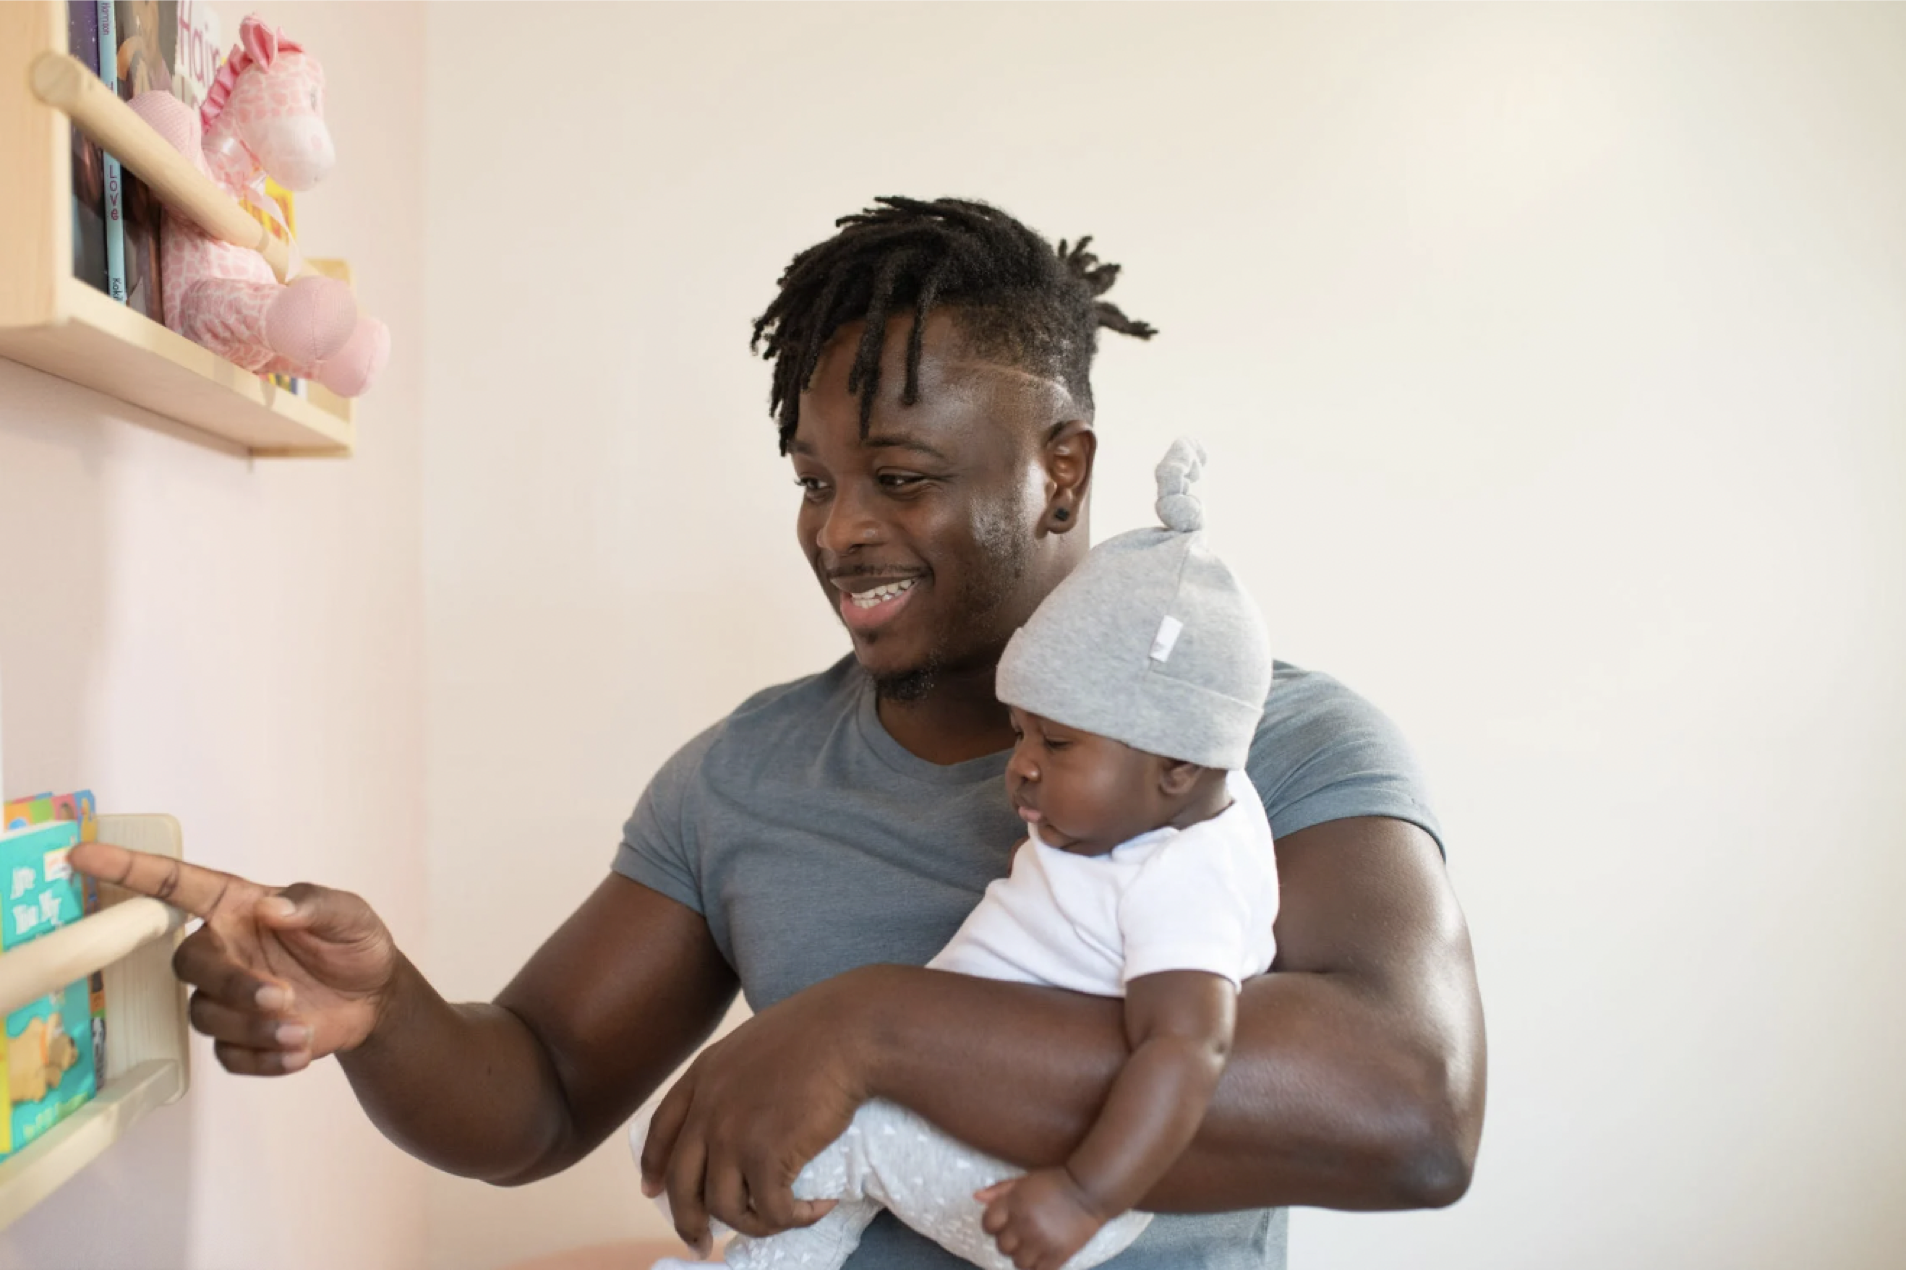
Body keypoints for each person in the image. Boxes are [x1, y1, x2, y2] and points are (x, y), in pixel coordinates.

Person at [71, 197, 1486, 1270]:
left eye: (902, 475)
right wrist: (379, 1010)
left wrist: (873, 1027)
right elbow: (542, 1091)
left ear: (1062, 471)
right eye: (814, 478)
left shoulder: (1272, 744)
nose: (840, 528)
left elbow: (1409, 1110)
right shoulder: (744, 772)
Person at [650, 437, 1278, 1270]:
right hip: (972, 1132)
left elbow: (1189, 1049)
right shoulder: (1162, 805)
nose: (1018, 765)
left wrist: (1086, 1194)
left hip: (1031, 1181)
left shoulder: (1185, 877)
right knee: (826, 1169)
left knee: (797, 1136)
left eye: (1054, 743)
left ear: (1179, 767)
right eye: (1020, 730)